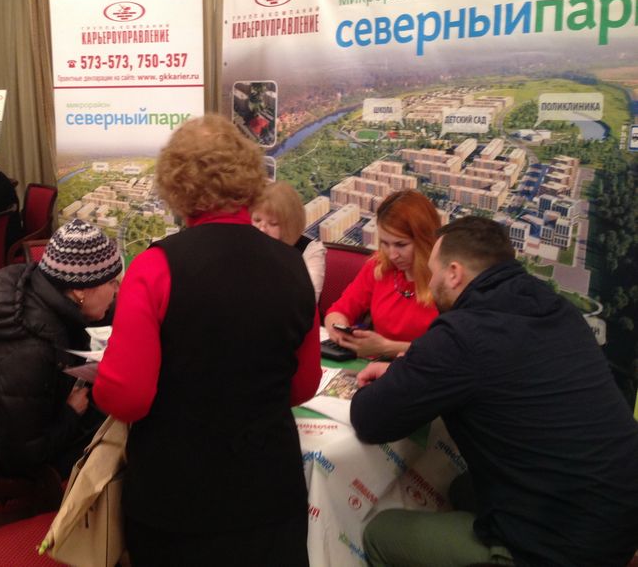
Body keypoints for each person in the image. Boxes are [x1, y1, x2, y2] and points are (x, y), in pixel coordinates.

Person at [93, 114, 322, 566]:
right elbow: (303, 385)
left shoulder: (155, 267)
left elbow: (127, 398)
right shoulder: (292, 265)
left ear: (175, 184)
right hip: (270, 493)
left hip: (178, 499)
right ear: (249, 177)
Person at [351, 216, 638, 567]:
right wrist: (411, 369)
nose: (431, 281)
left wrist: (399, 376)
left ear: (454, 273)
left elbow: (370, 419)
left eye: (433, 272)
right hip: (620, 515)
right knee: (459, 488)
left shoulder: (462, 334)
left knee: (380, 533)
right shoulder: (556, 307)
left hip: (559, 547)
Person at [0, 218, 120, 479]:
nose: (116, 291)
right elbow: (22, 457)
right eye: (112, 282)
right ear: (80, 290)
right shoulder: (28, 351)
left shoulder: (37, 292)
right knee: (112, 447)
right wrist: (71, 413)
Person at [324, 189, 440, 358]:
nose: (392, 255)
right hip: (374, 365)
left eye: (401, 245)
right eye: (385, 243)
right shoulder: (378, 266)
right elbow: (338, 311)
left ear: (424, 240)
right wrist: (338, 329)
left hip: (424, 370)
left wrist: (387, 348)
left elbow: (450, 351)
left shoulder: (446, 280)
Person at [251, 181, 326, 301]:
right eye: (257, 220)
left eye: (273, 223)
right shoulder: (245, 245)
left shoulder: (310, 251)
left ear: (290, 225)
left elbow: (306, 302)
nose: (262, 229)